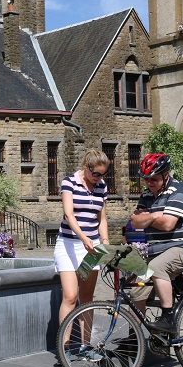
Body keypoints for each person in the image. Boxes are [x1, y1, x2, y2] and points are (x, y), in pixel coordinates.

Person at [129, 153, 183, 333]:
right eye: (146, 179)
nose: (149, 183)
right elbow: (134, 222)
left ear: (165, 175)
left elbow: (168, 225)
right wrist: (154, 216)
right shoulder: (147, 193)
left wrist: (146, 218)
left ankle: (168, 318)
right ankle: (134, 338)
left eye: (154, 179)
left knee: (157, 267)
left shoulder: (178, 190)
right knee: (136, 291)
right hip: (155, 250)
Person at [54, 149, 111, 353]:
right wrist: (83, 237)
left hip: (91, 248)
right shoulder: (70, 182)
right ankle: (65, 345)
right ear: (86, 166)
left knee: (86, 297)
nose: (99, 178)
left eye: (103, 174)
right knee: (70, 295)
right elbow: (69, 215)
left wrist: (104, 241)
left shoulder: (101, 186)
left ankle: (86, 345)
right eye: (95, 174)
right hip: (69, 245)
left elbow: (102, 219)